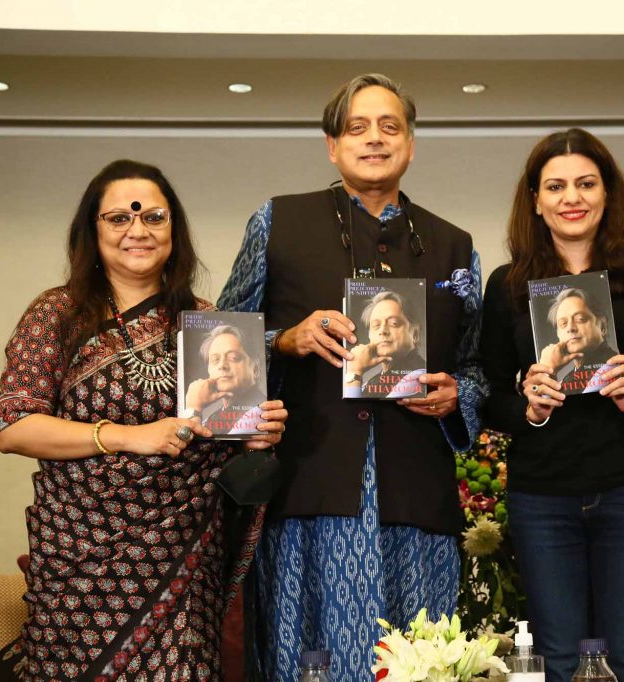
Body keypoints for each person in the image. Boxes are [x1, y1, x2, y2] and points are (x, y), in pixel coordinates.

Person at [217, 73, 485, 682]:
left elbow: (476, 367)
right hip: (308, 490)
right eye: (357, 127)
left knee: (420, 663)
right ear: (332, 145)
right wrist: (285, 339)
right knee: (305, 662)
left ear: (411, 144)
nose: (374, 139)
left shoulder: (454, 247)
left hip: (416, 499)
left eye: (390, 126)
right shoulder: (277, 222)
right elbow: (223, 337)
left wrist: (456, 396)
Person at [0, 159, 287, 681]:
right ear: (93, 230)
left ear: (173, 228)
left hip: (183, 564)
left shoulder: (206, 323)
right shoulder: (57, 314)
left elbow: (222, 440)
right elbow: (13, 426)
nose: (137, 231)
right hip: (81, 567)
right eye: (119, 218)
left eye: (153, 217)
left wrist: (256, 435)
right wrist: (129, 437)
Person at [480, 128, 624, 682]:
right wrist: (528, 407)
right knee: (560, 659)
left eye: (586, 183)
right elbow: (488, 396)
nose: (571, 197)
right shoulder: (507, 286)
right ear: (535, 200)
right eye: (556, 186)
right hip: (541, 497)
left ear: (607, 192)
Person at [185, 324, 268, 433]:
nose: (222, 365)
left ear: (255, 368)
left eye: (233, 358)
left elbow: (193, 443)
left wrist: (194, 410)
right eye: (215, 360)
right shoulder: (211, 419)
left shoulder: (258, 413)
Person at [344, 289, 426, 398]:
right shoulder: (370, 383)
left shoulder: (419, 377)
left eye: (394, 323)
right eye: (376, 326)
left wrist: (354, 371)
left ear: (415, 333)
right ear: (369, 336)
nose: (382, 331)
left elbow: (354, 408)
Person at [540, 286, 616, 392]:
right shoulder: (571, 376)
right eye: (563, 323)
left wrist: (547, 373)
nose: (570, 328)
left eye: (580, 319)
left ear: (602, 326)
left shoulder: (609, 369)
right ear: (558, 334)